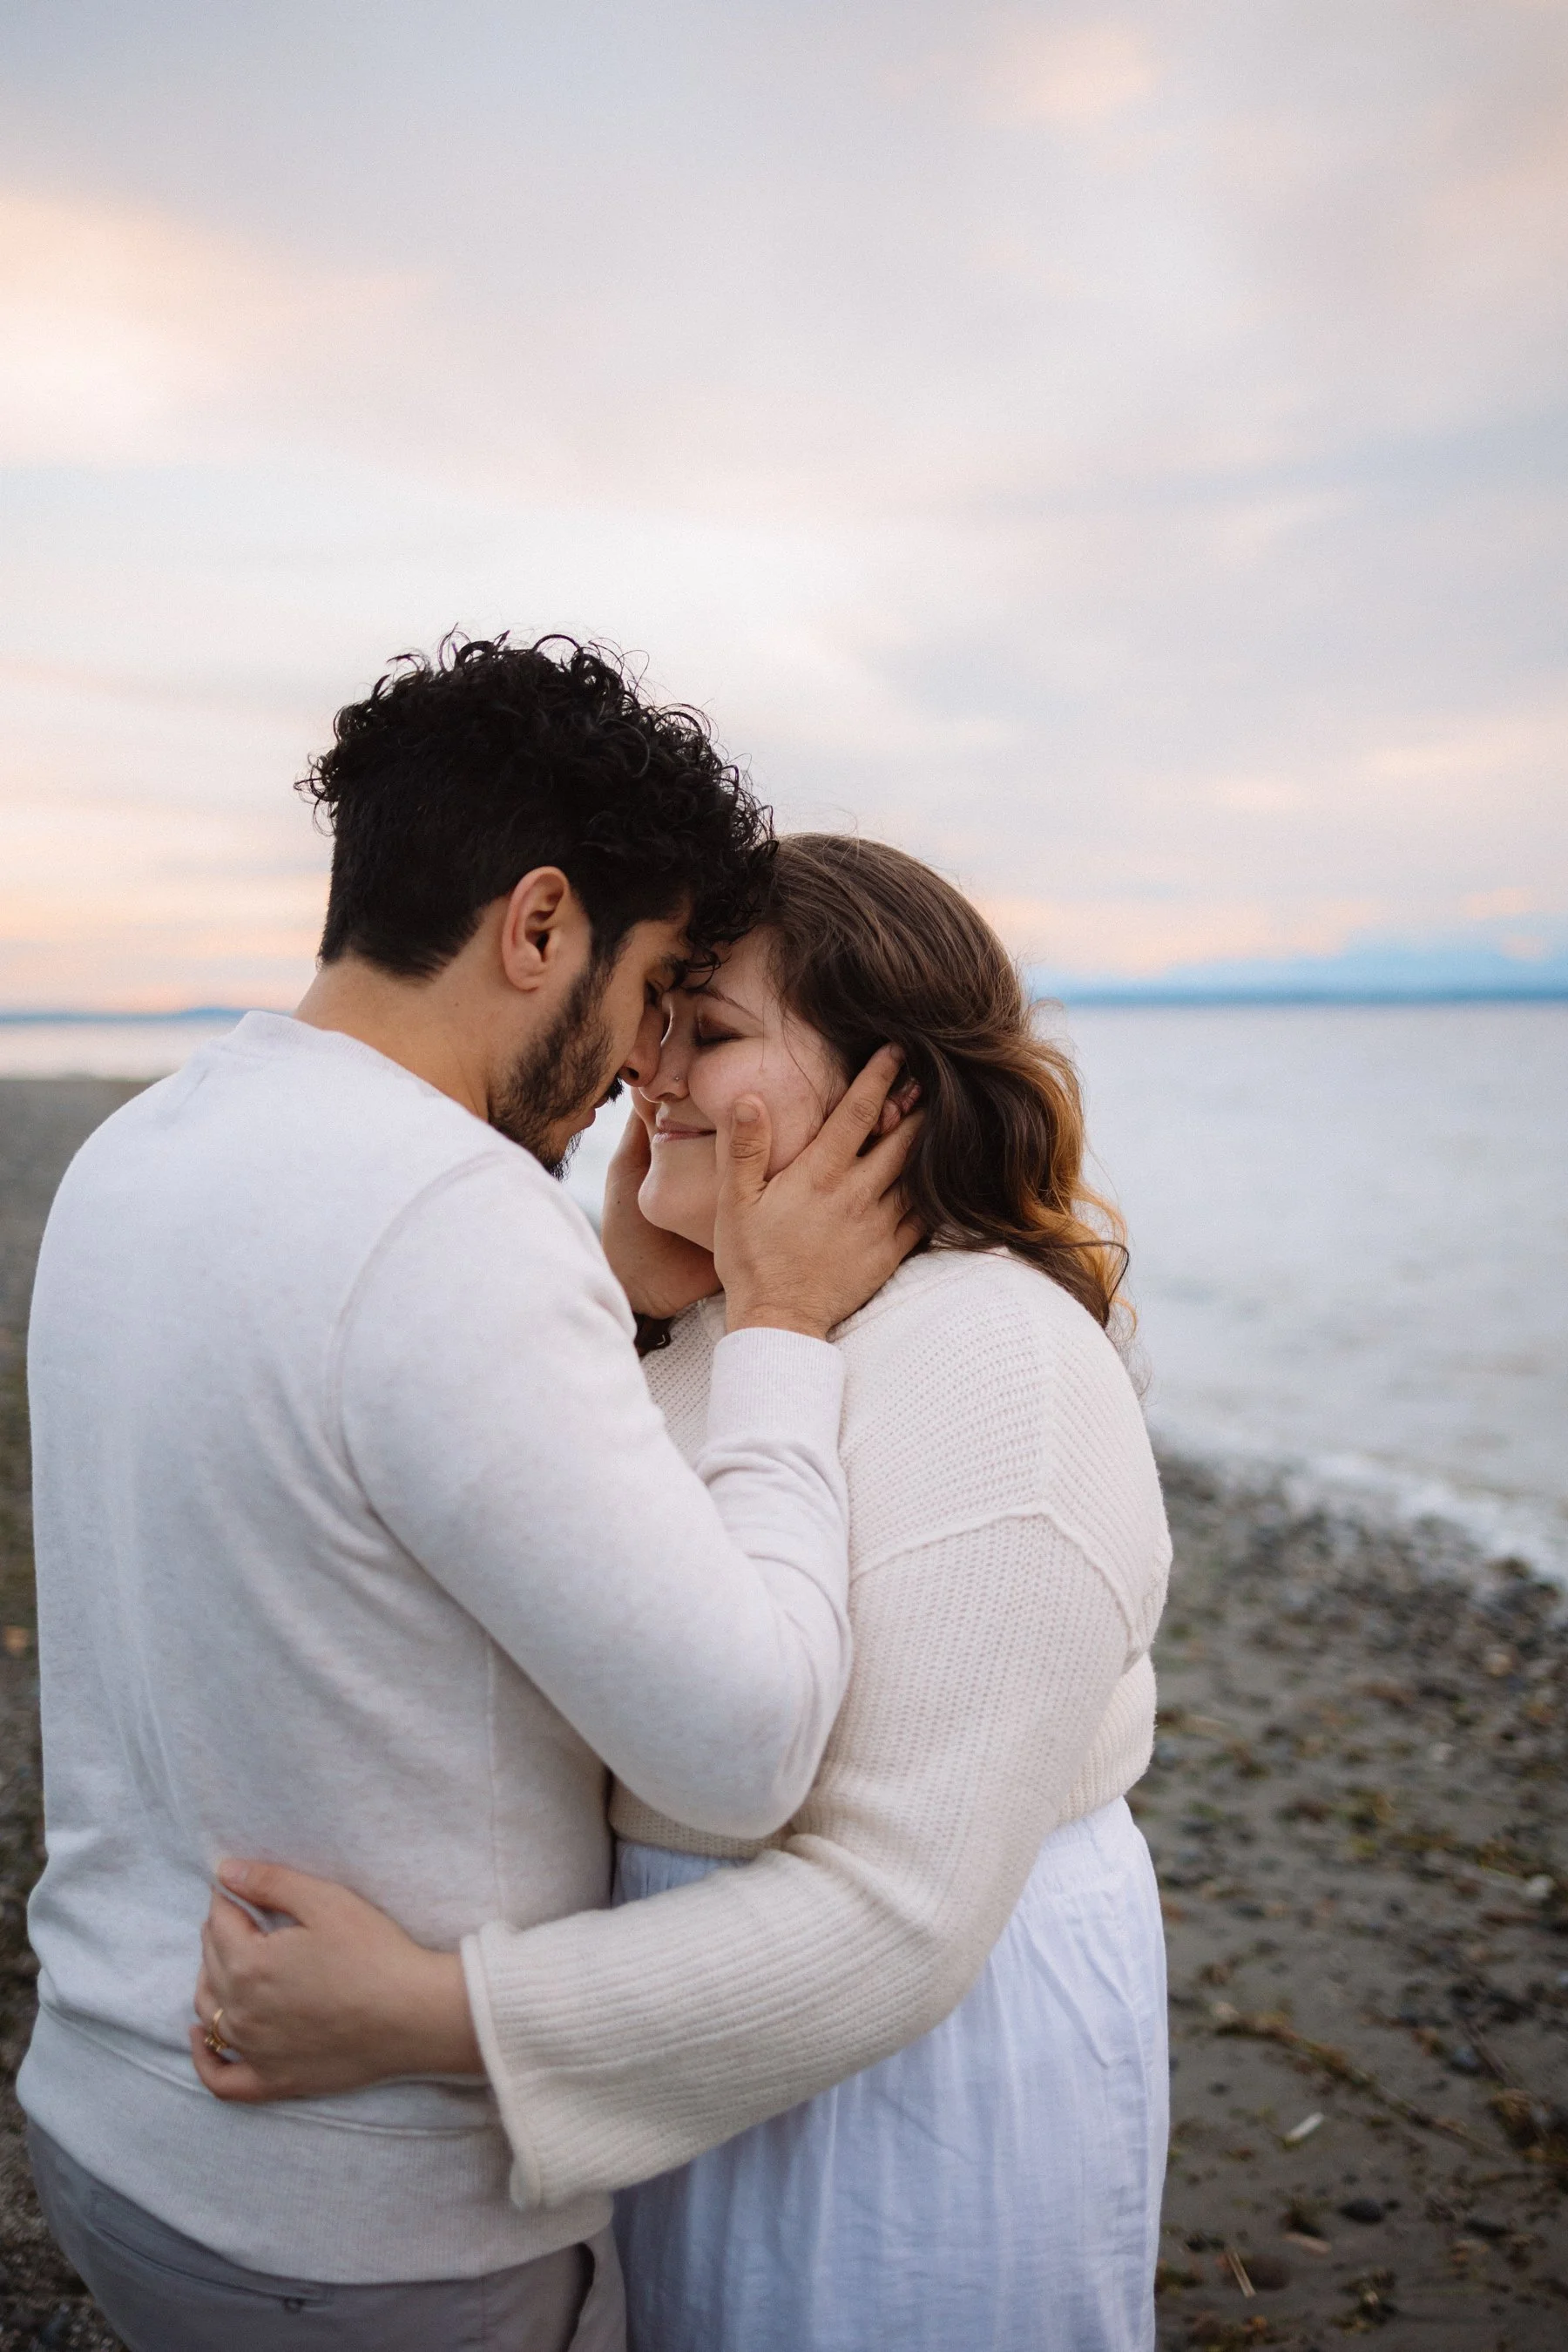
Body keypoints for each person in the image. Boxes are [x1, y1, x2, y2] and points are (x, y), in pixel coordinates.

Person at [20, 645, 922, 2352]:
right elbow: (743, 1743)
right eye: (655, 983)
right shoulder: (452, 1220)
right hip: (361, 2223)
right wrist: (786, 1330)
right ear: (537, 927)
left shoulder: (135, 1155)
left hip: (111, 2114)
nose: (642, 1065)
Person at [191, 835, 1173, 2352]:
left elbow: (903, 1920)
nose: (645, 1074)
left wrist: (418, 2017)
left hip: (905, 2098)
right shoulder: (720, 1327)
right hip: (677, 2073)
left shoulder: (1001, 1357)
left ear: (889, 1093)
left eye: (708, 1036)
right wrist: (646, 1281)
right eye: (657, 1024)